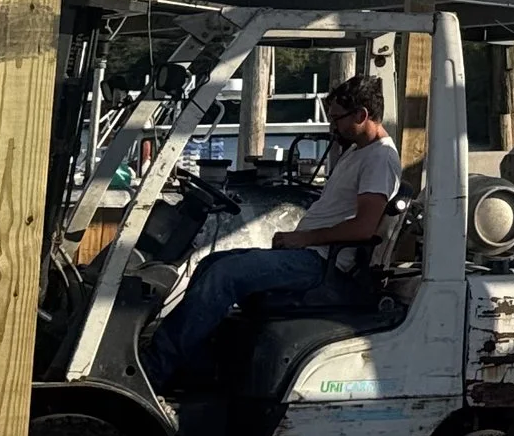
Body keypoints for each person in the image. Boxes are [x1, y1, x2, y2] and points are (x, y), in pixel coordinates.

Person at [143, 73, 401, 398]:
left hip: (324, 266)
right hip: (310, 255)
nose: (333, 127)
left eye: (337, 119)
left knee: (225, 274)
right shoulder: (357, 152)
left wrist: (301, 239)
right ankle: (196, 371)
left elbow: (363, 227)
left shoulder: (380, 159)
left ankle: (153, 371)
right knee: (211, 264)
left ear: (362, 115)